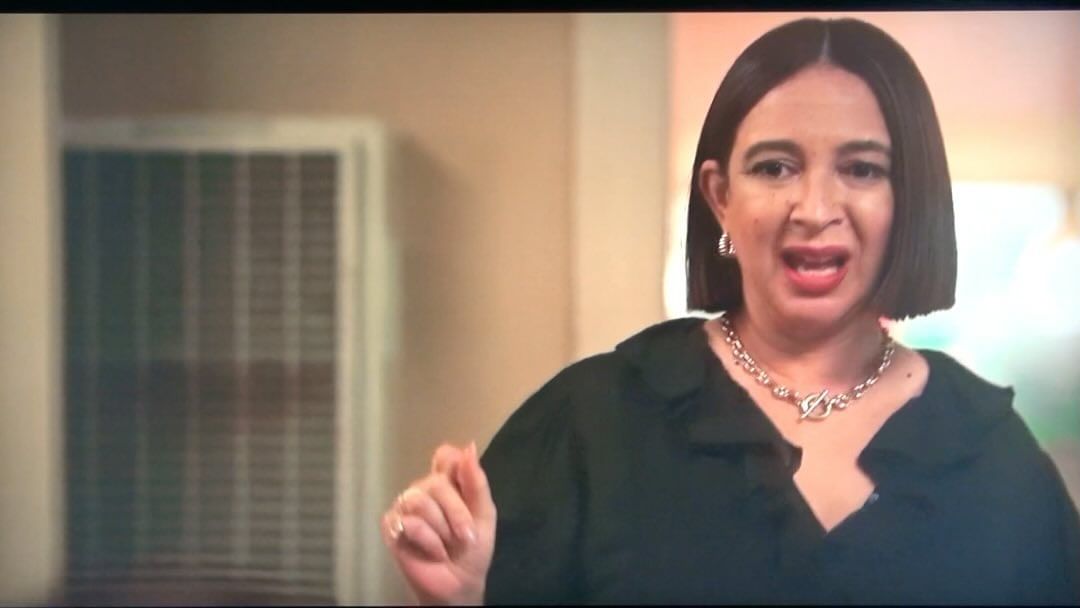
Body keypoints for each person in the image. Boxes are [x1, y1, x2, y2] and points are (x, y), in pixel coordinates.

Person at [380, 17, 1080, 604]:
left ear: (909, 200)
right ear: (720, 198)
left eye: (862, 169)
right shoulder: (590, 423)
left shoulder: (994, 454)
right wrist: (464, 600)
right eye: (775, 167)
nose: (815, 209)